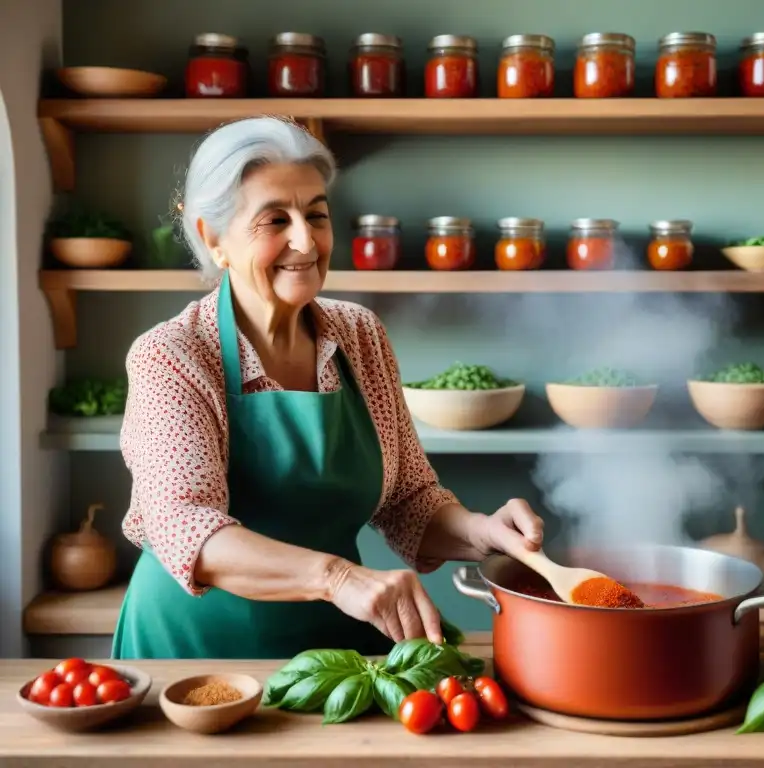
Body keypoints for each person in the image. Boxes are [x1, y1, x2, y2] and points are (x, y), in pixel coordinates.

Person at [111, 116, 545, 660]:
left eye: (316, 214)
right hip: (196, 657)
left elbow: (408, 499)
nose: (306, 239)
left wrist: (484, 533)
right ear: (213, 238)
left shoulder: (360, 336)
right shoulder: (171, 357)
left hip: (331, 654)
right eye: (275, 219)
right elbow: (187, 529)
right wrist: (339, 578)